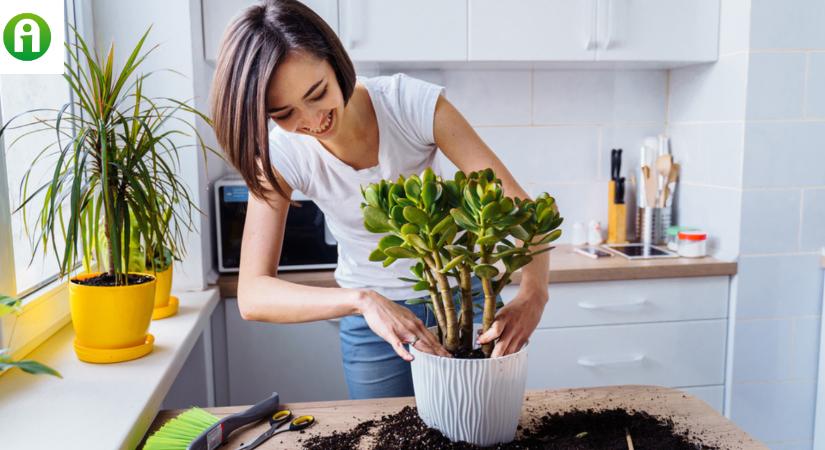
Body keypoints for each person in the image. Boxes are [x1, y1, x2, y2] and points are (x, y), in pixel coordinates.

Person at [209, 0, 550, 400]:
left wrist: (533, 295)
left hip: (459, 302)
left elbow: (525, 211)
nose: (313, 119)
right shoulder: (283, 154)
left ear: (334, 60)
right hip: (372, 328)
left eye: (317, 93)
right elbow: (252, 294)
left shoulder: (409, 104)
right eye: (284, 113)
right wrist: (363, 302)